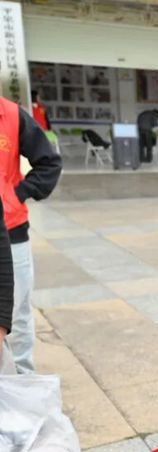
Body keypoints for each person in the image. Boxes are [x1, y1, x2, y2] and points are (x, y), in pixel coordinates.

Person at [0, 97, 62, 374]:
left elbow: (49, 163)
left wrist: (16, 195)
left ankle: (23, 381)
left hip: (11, 231)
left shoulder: (12, 115)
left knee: (17, 316)